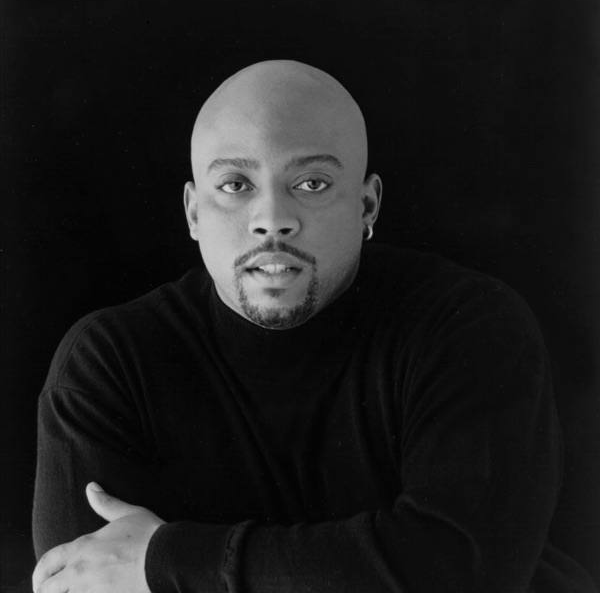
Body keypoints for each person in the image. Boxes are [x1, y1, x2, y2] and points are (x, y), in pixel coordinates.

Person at [31, 60, 597, 593]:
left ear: (367, 206)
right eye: (235, 185)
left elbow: (465, 574)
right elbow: (78, 582)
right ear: (194, 212)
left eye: (312, 184)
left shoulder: (468, 326)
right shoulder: (110, 361)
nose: (272, 220)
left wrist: (169, 562)